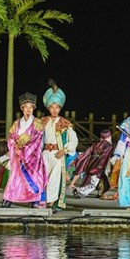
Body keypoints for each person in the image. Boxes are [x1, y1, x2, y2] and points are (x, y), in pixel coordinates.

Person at [2, 92, 48, 208]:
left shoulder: (37, 124)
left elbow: (37, 141)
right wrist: (14, 147)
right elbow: (11, 138)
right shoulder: (17, 123)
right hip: (18, 158)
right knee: (15, 180)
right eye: (25, 107)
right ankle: (7, 200)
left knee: (32, 180)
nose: (28, 109)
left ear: (33, 108)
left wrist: (22, 151)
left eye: (30, 107)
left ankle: (33, 201)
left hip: (32, 159)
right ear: (22, 108)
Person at [41, 80, 79, 212]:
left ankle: (51, 204)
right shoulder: (43, 122)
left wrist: (65, 150)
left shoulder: (65, 123)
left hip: (58, 154)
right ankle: (41, 201)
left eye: (57, 107)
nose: (54, 110)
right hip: (45, 153)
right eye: (52, 107)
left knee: (54, 179)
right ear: (48, 108)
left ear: (60, 108)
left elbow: (74, 140)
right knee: (43, 177)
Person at [69, 129, 114, 198]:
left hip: (92, 163)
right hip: (98, 165)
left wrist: (79, 160)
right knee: (94, 182)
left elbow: (87, 152)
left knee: (103, 179)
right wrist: (100, 167)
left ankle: (101, 192)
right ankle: (79, 191)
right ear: (109, 137)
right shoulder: (109, 146)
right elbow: (104, 157)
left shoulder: (96, 144)